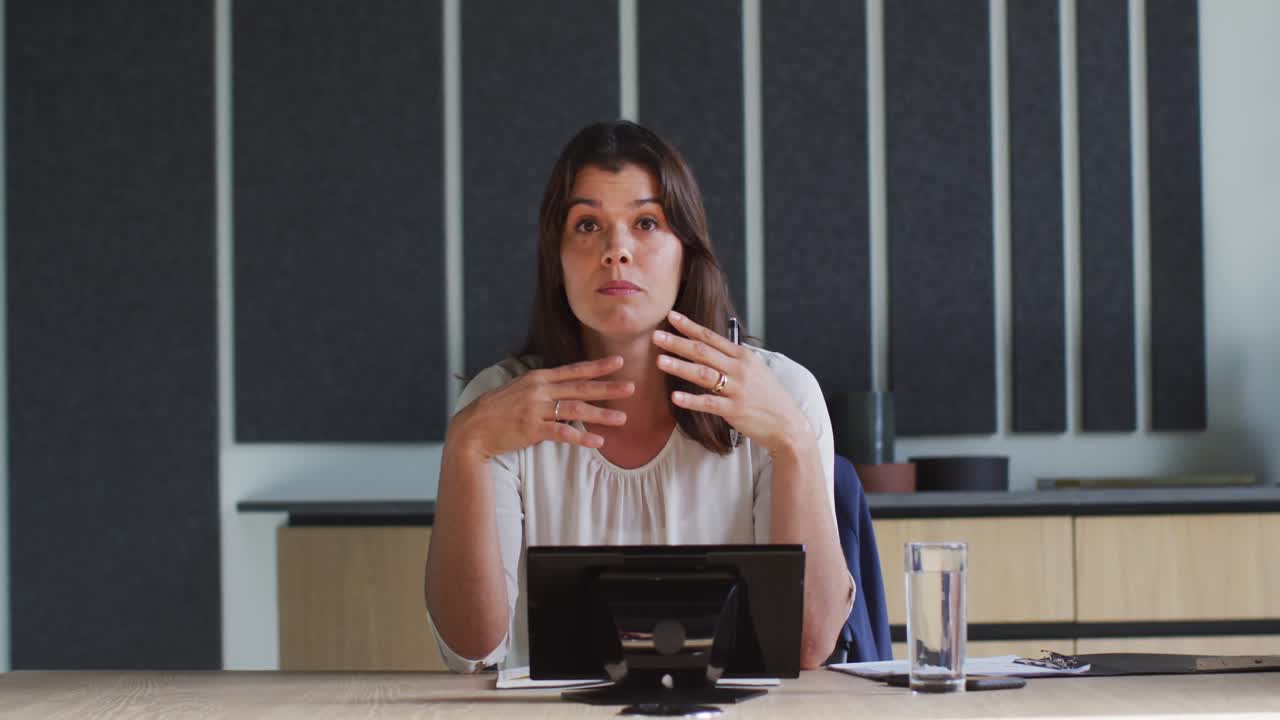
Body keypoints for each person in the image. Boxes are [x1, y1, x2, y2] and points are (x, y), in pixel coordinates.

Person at [424, 120, 854, 672]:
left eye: (647, 222)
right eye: (586, 225)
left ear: (687, 252)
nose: (616, 251)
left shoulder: (786, 394)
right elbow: (472, 650)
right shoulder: (498, 404)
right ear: (556, 259)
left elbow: (806, 648)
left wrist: (792, 441)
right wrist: (466, 447)